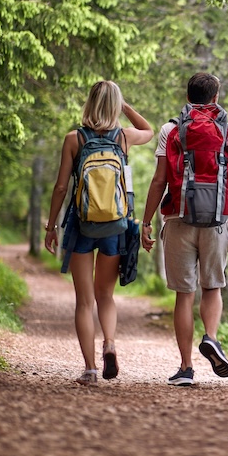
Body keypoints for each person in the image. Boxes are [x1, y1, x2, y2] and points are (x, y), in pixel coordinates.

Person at [141, 72, 228, 385]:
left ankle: (186, 368)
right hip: (217, 220)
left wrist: (146, 221)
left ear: (187, 96)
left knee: (183, 294)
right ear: (215, 98)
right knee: (212, 286)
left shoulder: (170, 130)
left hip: (177, 220)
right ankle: (212, 338)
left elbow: (159, 179)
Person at [44, 80, 154, 386]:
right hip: (115, 226)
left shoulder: (74, 139)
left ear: (89, 103)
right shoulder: (124, 137)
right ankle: (109, 343)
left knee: (84, 301)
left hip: (82, 225)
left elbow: (61, 187)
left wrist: (51, 226)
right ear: (115, 105)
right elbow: (149, 130)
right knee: (105, 295)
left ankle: (90, 370)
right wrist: (125, 107)